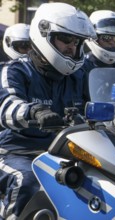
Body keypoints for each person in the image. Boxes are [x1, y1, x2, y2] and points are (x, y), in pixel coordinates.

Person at [0, 2, 95, 219]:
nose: (72, 47)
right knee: (27, 180)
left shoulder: (79, 76)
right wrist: (34, 112)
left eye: (77, 42)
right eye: (66, 39)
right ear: (44, 35)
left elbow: (100, 104)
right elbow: (5, 104)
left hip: (61, 153)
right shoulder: (15, 70)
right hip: (14, 152)